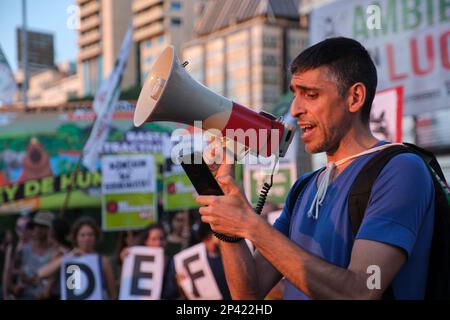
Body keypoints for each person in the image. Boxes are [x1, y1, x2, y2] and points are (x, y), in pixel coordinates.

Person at [196, 37, 435, 300]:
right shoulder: (304, 188)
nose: (295, 109)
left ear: (355, 98)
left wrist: (250, 225)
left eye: (311, 95)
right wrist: (227, 217)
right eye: (295, 94)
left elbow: (361, 290)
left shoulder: (400, 169)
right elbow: (248, 295)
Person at [15, 211, 55, 299]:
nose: (38, 229)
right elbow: (13, 271)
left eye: (43, 226)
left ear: (51, 229)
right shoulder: (24, 249)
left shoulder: (55, 253)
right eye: (36, 226)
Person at [2, 214, 32, 300]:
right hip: (18, 291)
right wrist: (5, 294)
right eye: (19, 227)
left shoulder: (36, 247)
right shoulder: (13, 247)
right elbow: (7, 271)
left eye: (25, 226)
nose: (22, 230)